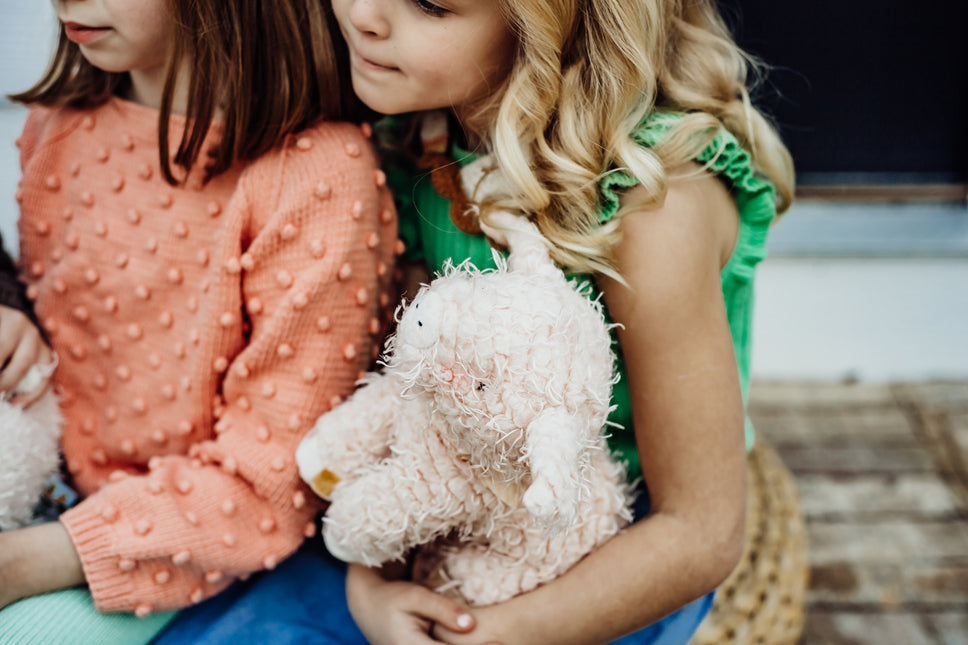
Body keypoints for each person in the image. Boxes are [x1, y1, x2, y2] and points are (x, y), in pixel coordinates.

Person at [155, 0, 795, 643]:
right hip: (455, 501)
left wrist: (491, 633)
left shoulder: (655, 206)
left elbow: (701, 531)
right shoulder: (416, 138)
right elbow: (411, 398)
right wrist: (373, 582)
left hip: (606, 540)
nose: (363, 14)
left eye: (431, 4)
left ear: (550, 26)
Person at [0, 0, 397, 642]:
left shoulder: (318, 176)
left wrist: (18, 564)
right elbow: (49, 320)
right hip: (35, 487)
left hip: (182, 549)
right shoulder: (58, 122)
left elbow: (268, 482)